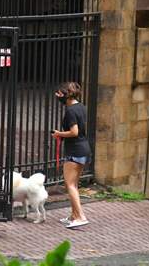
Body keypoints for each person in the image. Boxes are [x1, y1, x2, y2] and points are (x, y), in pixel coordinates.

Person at [51, 82, 91, 229]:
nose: (58, 96)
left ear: (67, 95)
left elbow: (74, 132)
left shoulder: (70, 111)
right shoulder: (81, 107)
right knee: (74, 184)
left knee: (70, 185)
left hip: (75, 150)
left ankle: (80, 216)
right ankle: (74, 215)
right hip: (83, 148)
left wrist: (58, 134)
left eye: (60, 94)